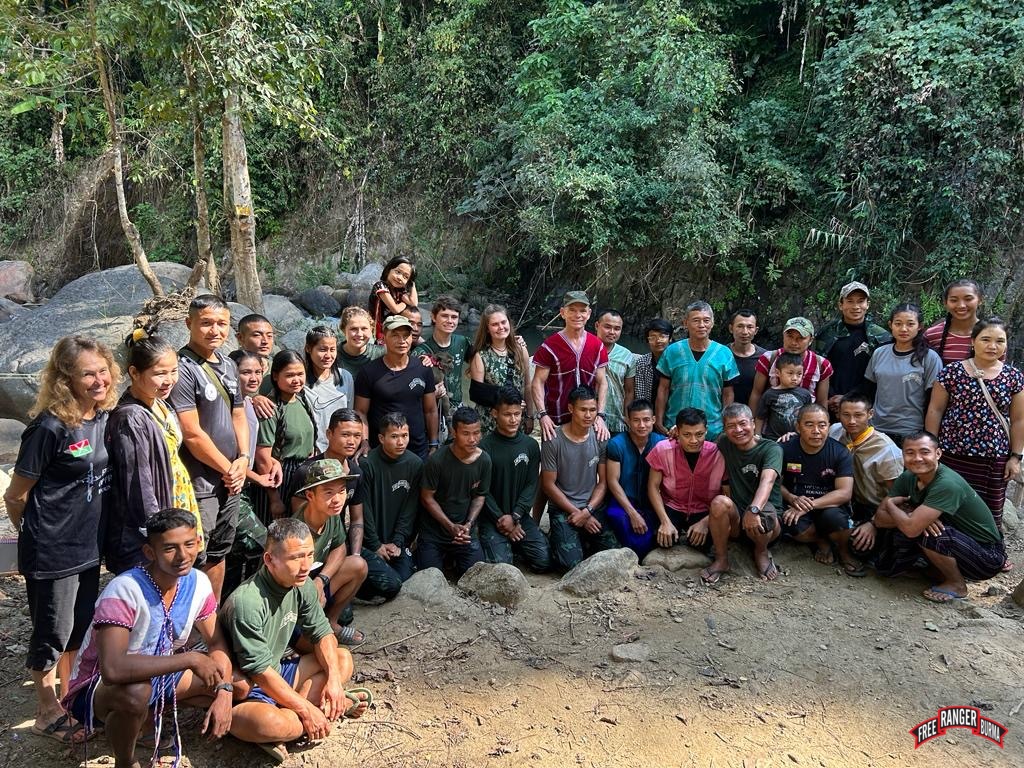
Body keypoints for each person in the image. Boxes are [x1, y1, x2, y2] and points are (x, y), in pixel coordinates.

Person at [4, 336, 118, 744]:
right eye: (88, 373)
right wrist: (36, 535)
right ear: (65, 378)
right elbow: (15, 496)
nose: (98, 380)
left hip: (88, 549)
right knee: (51, 632)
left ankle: (69, 698)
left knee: (78, 628)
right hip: (52, 552)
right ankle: (44, 710)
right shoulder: (50, 427)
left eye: (102, 370)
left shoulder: (102, 417)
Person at [61, 509, 233, 766]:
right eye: (169, 549)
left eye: (189, 544)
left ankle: (146, 719)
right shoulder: (125, 590)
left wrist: (225, 691)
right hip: (98, 690)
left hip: (158, 674)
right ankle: (126, 759)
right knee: (135, 694)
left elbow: (216, 642)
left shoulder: (198, 582)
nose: (183, 555)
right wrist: (191, 659)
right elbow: (113, 670)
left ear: (199, 542)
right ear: (150, 553)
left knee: (238, 683)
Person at [223, 518, 370, 764]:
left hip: (280, 672)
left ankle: (299, 721)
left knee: (342, 659)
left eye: (310, 555)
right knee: (267, 723)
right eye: (295, 558)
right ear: (269, 560)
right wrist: (305, 708)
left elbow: (323, 633)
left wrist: (333, 681)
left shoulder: (301, 584)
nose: (305, 565)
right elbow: (259, 672)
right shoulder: (247, 603)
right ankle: (317, 714)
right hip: (251, 688)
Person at [169, 294, 249, 601]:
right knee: (194, 554)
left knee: (219, 550)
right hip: (201, 480)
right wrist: (230, 469)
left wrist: (243, 458)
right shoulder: (182, 368)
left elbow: (238, 413)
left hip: (232, 478)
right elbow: (192, 433)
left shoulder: (229, 364)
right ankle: (184, 627)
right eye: (206, 323)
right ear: (189, 323)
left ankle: (209, 619)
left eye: (221, 323)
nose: (214, 330)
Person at [105, 329, 200, 574]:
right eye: (159, 374)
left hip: (174, 498)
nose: (169, 380)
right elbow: (139, 483)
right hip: (154, 517)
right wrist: (158, 532)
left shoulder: (160, 403)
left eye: (173, 371)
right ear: (134, 373)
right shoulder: (131, 418)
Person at [873, 431, 1007, 602]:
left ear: (938, 454)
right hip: (958, 541)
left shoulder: (946, 483)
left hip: (987, 556)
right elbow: (879, 519)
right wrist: (911, 515)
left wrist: (893, 506)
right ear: (903, 454)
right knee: (886, 565)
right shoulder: (908, 477)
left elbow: (911, 529)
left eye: (925, 452)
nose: (917, 458)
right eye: (910, 452)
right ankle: (937, 570)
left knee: (929, 531)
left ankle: (957, 584)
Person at [925, 317, 1024, 532]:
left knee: (990, 506)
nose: (992, 346)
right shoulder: (951, 372)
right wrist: (932, 447)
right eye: (985, 339)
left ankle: (990, 549)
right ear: (972, 341)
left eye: (1000, 341)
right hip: (952, 452)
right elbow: (935, 410)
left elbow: (1018, 419)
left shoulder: (1013, 377)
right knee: (947, 502)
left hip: (993, 457)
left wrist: (1016, 457)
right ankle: (946, 546)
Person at [701, 404, 784, 584]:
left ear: (753, 424)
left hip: (768, 518)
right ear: (725, 429)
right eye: (731, 426)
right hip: (737, 518)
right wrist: (675, 434)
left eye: (743, 423)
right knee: (719, 503)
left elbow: (767, 481)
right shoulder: (723, 442)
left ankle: (761, 552)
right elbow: (700, 445)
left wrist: (753, 510)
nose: (738, 430)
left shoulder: (770, 448)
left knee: (764, 514)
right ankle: (722, 558)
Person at [541, 385, 619, 571]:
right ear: (571, 409)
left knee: (614, 552)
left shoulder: (601, 437)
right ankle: (560, 535)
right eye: (583, 409)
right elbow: (548, 485)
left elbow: (603, 482)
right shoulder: (553, 439)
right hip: (563, 508)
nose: (588, 415)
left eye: (592, 410)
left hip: (591, 506)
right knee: (571, 564)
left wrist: (588, 511)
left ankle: (581, 538)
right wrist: (576, 512)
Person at [779, 404, 862, 575]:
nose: (816, 430)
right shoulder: (785, 449)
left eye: (822, 425)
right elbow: (772, 483)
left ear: (829, 426)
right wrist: (791, 498)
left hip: (828, 505)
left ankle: (844, 552)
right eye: (809, 425)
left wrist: (808, 506)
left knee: (836, 518)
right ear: (798, 427)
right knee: (790, 522)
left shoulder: (840, 452)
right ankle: (821, 541)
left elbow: (845, 492)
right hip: (795, 504)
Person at [292, 460, 368, 644]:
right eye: (328, 493)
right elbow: (287, 584)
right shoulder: (296, 533)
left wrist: (321, 580)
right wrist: (312, 592)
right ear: (310, 495)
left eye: (342, 491)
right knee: (322, 648)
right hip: (292, 598)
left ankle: (331, 622)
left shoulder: (330, 514)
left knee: (358, 565)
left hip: (315, 582)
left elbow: (339, 547)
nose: (337, 499)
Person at [478, 388, 550, 571]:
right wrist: (502, 519)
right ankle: (498, 543)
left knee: (545, 560)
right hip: (492, 518)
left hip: (520, 516)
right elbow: (481, 491)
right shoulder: (484, 447)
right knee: (502, 568)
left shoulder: (531, 445)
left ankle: (516, 544)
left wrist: (516, 516)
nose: (513, 419)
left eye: (517, 414)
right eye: (507, 414)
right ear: (495, 413)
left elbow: (532, 484)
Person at [417, 407, 492, 577]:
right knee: (430, 576)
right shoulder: (437, 461)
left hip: (464, 532)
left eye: (477, 433)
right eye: (466, 434)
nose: (472, 439)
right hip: (435, 532)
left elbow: (480, 496)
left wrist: (468, 525)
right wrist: (450, 526)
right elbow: (427, 498)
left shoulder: (484, 460)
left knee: (475, 575)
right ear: (454, 432)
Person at [355, 314, 439, 459]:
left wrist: (434, 443)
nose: (402, 341)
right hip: (381, 450)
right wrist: (364, 442)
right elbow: (360, 411)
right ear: (384, 337)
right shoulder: (369, 372)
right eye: (395, 335)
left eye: (406, 335)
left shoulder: (423, 368)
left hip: (418, 449)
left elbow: (430, 410)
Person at [828, 393, 904, 554]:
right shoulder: (835, 431)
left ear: (870, 414)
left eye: (858, 415)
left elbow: (897, 495)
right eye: (846, 415)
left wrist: (874, 523)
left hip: (875, 507)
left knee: (859, 546)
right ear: (838, 414)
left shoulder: (887, 450)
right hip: (843, 499)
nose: (852, 421)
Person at [531, 291, 610, 441]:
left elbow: (602, 382)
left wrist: (600, 415)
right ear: (562, 313)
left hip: (588, 421)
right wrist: (542, 415)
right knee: (555, 463)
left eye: (582, 310)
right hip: (556, 420)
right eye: (572, 310)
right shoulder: (549, 346)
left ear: (589, 314)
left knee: (588, 462)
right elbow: (538, 382)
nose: (577, 315)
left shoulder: (597, 346)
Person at [646, 408, 726, 554]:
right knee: (661, 541)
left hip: (704, 509)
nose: (694, 440)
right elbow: (652, 486)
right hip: (671, 505)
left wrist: (706, 522)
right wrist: (665, 521)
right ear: (677, 432)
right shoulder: (662, 450)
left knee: (701, 546)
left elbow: (727, 495)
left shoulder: (718, 454)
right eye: (687, 435)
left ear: (706, 431)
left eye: (699, 434)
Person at [655, 301, 738, 440]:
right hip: (675, 426)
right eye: (696, 320)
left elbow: (727, 394)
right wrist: (659, 420)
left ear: (712, 323)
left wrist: (726, 424)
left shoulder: (724, 353)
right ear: (685, 322)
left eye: (706, 320)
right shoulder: (673, 351)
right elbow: (663, 389)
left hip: (712, 428)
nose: (701, 325)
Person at [358, 413, 420, 600]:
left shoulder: (415, 464)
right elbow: (364, 508)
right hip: (370, 543)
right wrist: (376, 544)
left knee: (402, 579)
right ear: (381, 438)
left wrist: (398, 541)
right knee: (370, 585)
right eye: (394, 437)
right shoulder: (367, 464)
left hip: (397, 543)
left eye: (405, 435)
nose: (401, 442)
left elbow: (411, 508)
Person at [864, 303, 943, 445]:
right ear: (890, 325)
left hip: (911, 432)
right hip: (877, 429)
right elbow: (869, 390)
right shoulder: (879, 353)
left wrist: (930, 437)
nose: (904, 329)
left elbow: (934, 400)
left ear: (920, 326)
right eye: (898, 323)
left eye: (910, 324)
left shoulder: (929, 357)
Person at [254, 350, 317, 521]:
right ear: (275, 376)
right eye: (289, 375)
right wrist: (274, 499)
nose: (296, 380)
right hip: (279, 477)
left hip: (302, 473)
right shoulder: (270, 409)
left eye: (300, 374)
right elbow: (262, 458)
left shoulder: (302, 399)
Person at [815, 281, 892, 417]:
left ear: (867, 304)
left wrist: (848, 398)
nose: (856, 306)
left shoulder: (881, 337)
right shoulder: (826, 333)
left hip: (863, 406)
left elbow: (880, 376)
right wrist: (831, 397)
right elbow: (817, 367)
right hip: (828, 403)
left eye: (861, 301)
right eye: (850, 301)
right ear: (841, 304)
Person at [604, 400, 665, 558]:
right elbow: (612, 481)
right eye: (636, 420)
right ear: (627, 421)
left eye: (646, 420)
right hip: (624, 501)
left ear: (653, 419)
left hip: (650, 502)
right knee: (618, 518)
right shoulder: (616, 444)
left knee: (648, 540)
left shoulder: (660, 443)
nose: (642, 425)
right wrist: (632, 513)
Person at [748, 317, 833, 417]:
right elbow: (756, 393)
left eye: (800, 338)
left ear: (810, 340)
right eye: (790, 336)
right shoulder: (768, 359)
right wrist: (752, 422)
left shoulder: (822, 364)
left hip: (806, 425)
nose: (794, 342)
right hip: (771, 425)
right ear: (783, 336)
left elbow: (822, 401)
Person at [470, 304, 534, 435]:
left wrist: (530, 415)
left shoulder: (520, 350)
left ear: (509, 323)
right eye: (494, 324)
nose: (501, 327)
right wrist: (508, 402)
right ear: (487, 329)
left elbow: (527, 386)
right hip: (490, 421)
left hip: (515, 419)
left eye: (503, 322)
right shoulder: (481, 355)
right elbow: (477, 393)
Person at [300, 325, 356, 453]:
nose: (328, 355)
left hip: (341, 451)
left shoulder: (345, 377)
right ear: (308, 349)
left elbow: (350, 414)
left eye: (332, 349)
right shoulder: (300, 381)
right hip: (312, 452)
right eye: (322, 349)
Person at [414, 295, 473, 409]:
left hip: (458, 409)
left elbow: (481, 357)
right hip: (433, 410)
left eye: (454, 317)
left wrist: (511, 344)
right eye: (445, 316)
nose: (450, 321)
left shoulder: (462, 342)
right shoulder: (420, 352)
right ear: (433, 317)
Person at [594, 309, 636, 436]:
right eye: (607, 327)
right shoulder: (586, 349)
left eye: (617, 328)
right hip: (589, 418)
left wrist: (626, 416)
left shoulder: (626, 356)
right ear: (597, 325)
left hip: (617, 420)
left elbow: (629, 391)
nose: (612, 332)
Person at [923, 278, 984, 365]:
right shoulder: (932, 335)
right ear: (945, 303)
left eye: (968, 299)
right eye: (954, 300)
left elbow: (999, 372)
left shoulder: (993, 335)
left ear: (980, 300)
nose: (961, 305)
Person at [754, 352, 813, 440]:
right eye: (790, 373)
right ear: (778, 372)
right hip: (773, 439)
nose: (795, 378)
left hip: (797, 438)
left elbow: (809, 417)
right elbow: (760, 417)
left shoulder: (805, 394)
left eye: (799, 374)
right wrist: (757, 436)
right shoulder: (769, 394)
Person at [368, 255, 418, 343]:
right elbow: (395, 309)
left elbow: (414, 303)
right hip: (376, 328)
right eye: (398, 272)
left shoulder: (398, 291)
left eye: (405, 277)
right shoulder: (380, 286)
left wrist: (412, 284)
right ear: (388, 270)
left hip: (392, 327)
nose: (400, 278)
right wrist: (405, 303)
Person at [728, 310, 766, 409]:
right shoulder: (721, 354)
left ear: (756, 330)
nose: (745, 332)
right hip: (725, 415)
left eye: (750, 327)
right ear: (731, 328)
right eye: (740, 326)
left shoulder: (765, 358)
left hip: (753, 416)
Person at [632, 318, 672, 405]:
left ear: (670, 339)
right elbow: (640, 395)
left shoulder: (677, 361)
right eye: (653, 337)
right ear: (647, 340)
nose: (658, 341)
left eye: (662, 336)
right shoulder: (642, 362)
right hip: (649, 411)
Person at [337, 306, 383, 378]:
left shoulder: (381, 354)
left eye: (364, 328)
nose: (359, 334)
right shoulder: (333, 355)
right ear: (343, 330)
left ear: (371, 330)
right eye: (353, 329)